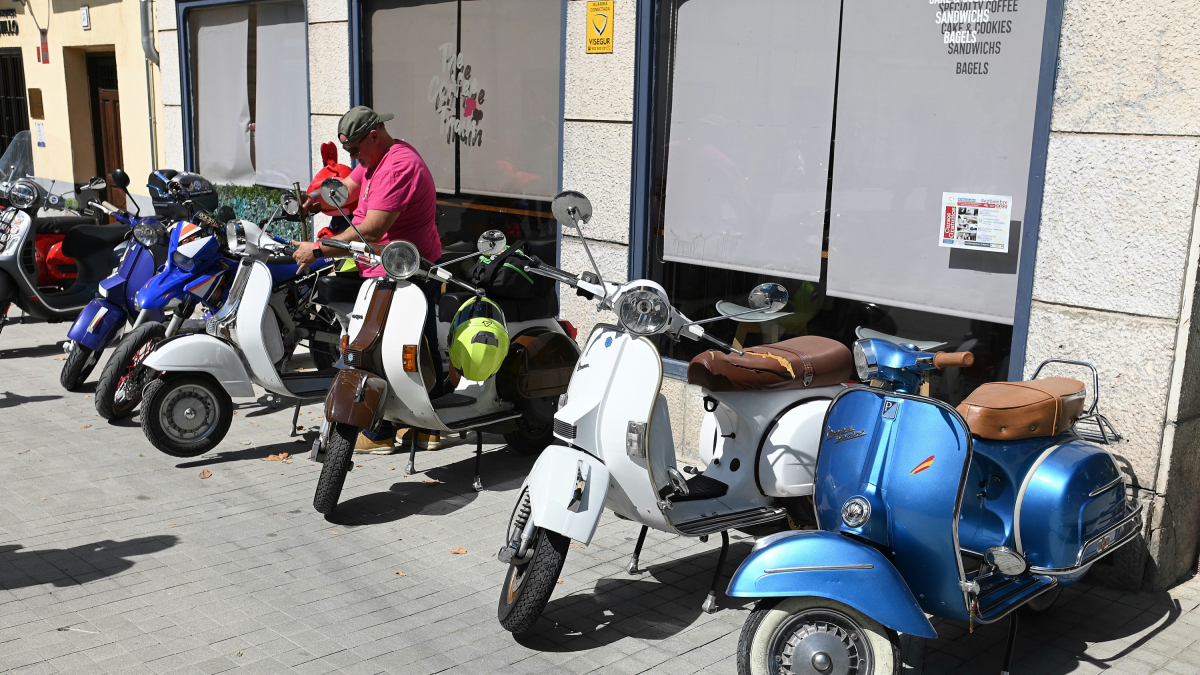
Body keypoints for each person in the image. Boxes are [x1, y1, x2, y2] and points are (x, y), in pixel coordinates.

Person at [292, 106, 445, 454]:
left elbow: (374, 229)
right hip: (385, 269)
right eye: (348, 152)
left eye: (355, 149)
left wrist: (318, 249)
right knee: (403, 350)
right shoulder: (374, 160)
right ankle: (418, 426)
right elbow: (347, 187)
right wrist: (315, 201)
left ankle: (391, 430)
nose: (353, 157)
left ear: (374, 135)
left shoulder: (398, 165)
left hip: (408, 273)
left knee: (392, 351)